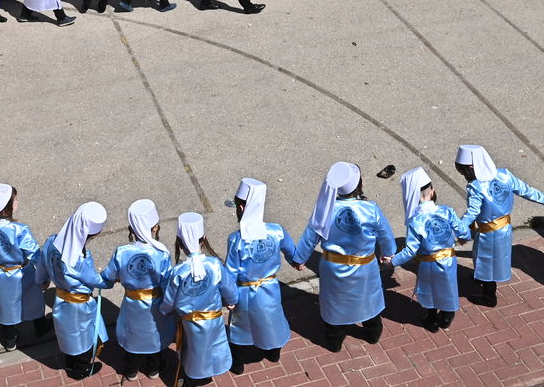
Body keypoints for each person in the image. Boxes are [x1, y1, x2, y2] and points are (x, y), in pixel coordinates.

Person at [295, 162, 396, 352]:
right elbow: (385, 234)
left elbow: (310, 237)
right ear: (359, 185)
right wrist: (388, 253)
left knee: (335, 304)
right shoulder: (370, 209)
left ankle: (334, 341)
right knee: (369, 301)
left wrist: (299, 258)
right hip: (365, 267)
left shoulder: (325, 210)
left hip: (334, 269)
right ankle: (373, 333)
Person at [454, 144, 544, 308]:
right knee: (486, 258)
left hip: (489, 232)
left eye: (464, 171)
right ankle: (481, 278)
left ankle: (489, 297)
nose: (464, 175)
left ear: (472, 167)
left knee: (487, 262)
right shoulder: (505, 175)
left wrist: (459, 229)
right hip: (504, 227)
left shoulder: (475, 187)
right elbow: (526, 190)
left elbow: (472, 212)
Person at [225, 178, 303, 368]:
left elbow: (230, 272)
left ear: (242, 209)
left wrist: (229, 298)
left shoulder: (236, 239)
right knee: (271, 321)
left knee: (242, 327)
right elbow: (291, 251)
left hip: (245, 292)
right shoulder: (276, 231)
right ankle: (273, 353)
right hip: (270, 289)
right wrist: (296, 262)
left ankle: (239, 363)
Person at [160, 213, 238, 387]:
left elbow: (170, 299)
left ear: (179, 243)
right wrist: (231, 300)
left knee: (193, 350)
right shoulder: (214, 265)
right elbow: (229, 289)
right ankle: (206, 373)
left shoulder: (178, 271)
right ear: (203, 239)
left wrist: (164, 311)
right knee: (213, 346)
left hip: (189, 322)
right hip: (214, 319)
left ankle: (194, 377)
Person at [101, 199, 174, 380]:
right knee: (154, 334)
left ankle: (131, 371)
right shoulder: (161, 253)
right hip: (154, 304)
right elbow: (167, 285)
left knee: (132, 335)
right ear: (155, 227)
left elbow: (108, 278)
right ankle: (153, 369)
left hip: (132, 303)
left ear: (131, 229)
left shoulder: (122, 252)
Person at [41, 201, 110, 380]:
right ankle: (81, 370)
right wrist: (111, 279)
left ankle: (70, 363)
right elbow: (96, 280)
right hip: (79, 305)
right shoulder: (78, 260)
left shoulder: (51, 242)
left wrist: (42, 280)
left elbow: (42, 265)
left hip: (61, 299)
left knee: (66, 335)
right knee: (83, 338)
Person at [0, 182, 46, 353]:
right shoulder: (19, 229)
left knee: (7, 307)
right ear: (6, 209)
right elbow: (34, 254)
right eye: (15, 201)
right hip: (23, 273)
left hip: (0, 274)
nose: (18, 203)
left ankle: (10, 340)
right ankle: (40, 327)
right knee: (33, 299)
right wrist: (44, 276)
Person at [390, 166, 460, 330]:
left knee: (429, 290)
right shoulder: (447, 211)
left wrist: (393, 262)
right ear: (432, 190)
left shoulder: (416, 221)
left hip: (428, 264)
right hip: (449, 259)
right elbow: (462, 229)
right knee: (449, 286)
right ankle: (447, 316)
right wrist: (465, 236)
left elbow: (410, 250)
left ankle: (431, 319)